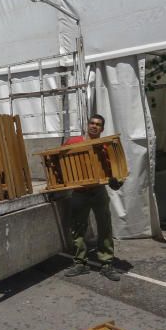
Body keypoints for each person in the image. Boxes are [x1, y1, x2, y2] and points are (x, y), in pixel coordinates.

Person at [63, 114, 124, 281]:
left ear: (102, 129)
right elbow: (61, 161)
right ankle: (80, 263)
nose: (94, 126)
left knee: (105, 227)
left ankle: (106, 264)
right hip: (79, 193)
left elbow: (115, 168)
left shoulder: (105, 146)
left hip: (98, 192)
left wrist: (116, 181)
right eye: (92, 123)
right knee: (77, 228)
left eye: (98, 124)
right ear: (87, 124)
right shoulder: (73, 142)